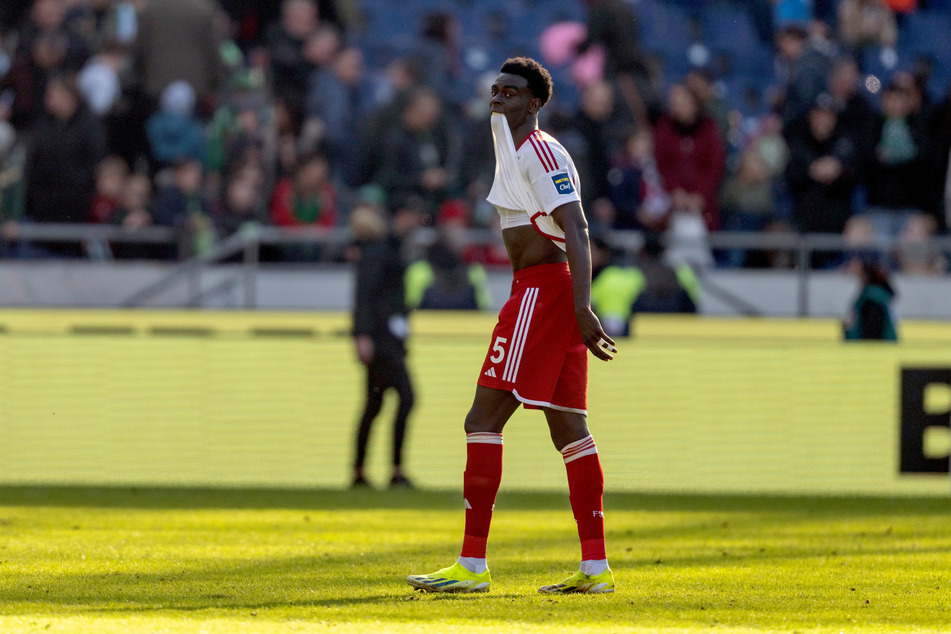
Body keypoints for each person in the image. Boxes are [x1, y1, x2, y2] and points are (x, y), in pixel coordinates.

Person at [406, 57, 617, 595]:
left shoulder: (541, 151)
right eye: (495, 89)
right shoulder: (510, 145)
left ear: (534, 102)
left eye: (511, 91)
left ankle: (472, 565)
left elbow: (577, 226)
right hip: (549, 291)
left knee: (482, 418)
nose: (497, 97)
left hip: (542, 292)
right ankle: (595, 568)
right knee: (569, 428)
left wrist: (580, 306)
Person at [350, 202, 418, 489]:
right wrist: (362, 334)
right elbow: (365, 297)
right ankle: (396, 470)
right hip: (383, 341)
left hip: (381, 338)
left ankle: (360, 472)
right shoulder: (378, 252)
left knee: (373, 405)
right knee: (406, 398)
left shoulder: (376, 251)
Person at [843, 252, 898, 341]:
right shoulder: (873, 293)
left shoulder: (873, 296)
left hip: (871, 350)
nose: (851, 265)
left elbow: (873, 332)